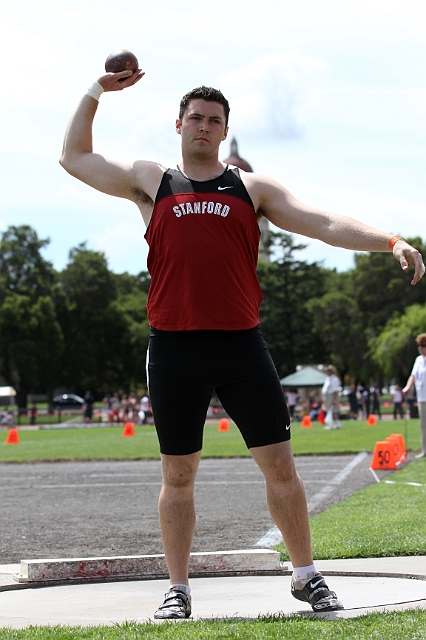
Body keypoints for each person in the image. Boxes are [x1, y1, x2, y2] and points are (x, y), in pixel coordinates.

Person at [60, 66, 425, 619]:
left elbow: (322, 222)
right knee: (177, 475)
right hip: (175, 347)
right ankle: (177, 590)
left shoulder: (250, 188)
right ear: (178, 125)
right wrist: (97, 91)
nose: (204, 127)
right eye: (196, 119)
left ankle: (306, 576)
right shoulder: (151, 180)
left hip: (240, 346)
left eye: (215, 121)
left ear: (224, 131)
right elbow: (74, 157)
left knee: (281, 466)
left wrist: (390, 240)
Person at [403, 333, 426, 458]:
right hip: (422, 397)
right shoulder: (418, 360)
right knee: (423, 425)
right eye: (419, 345)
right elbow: (413, 376)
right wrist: (408, 387)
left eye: (423, 345)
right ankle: (424, 450)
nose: (420, 348)